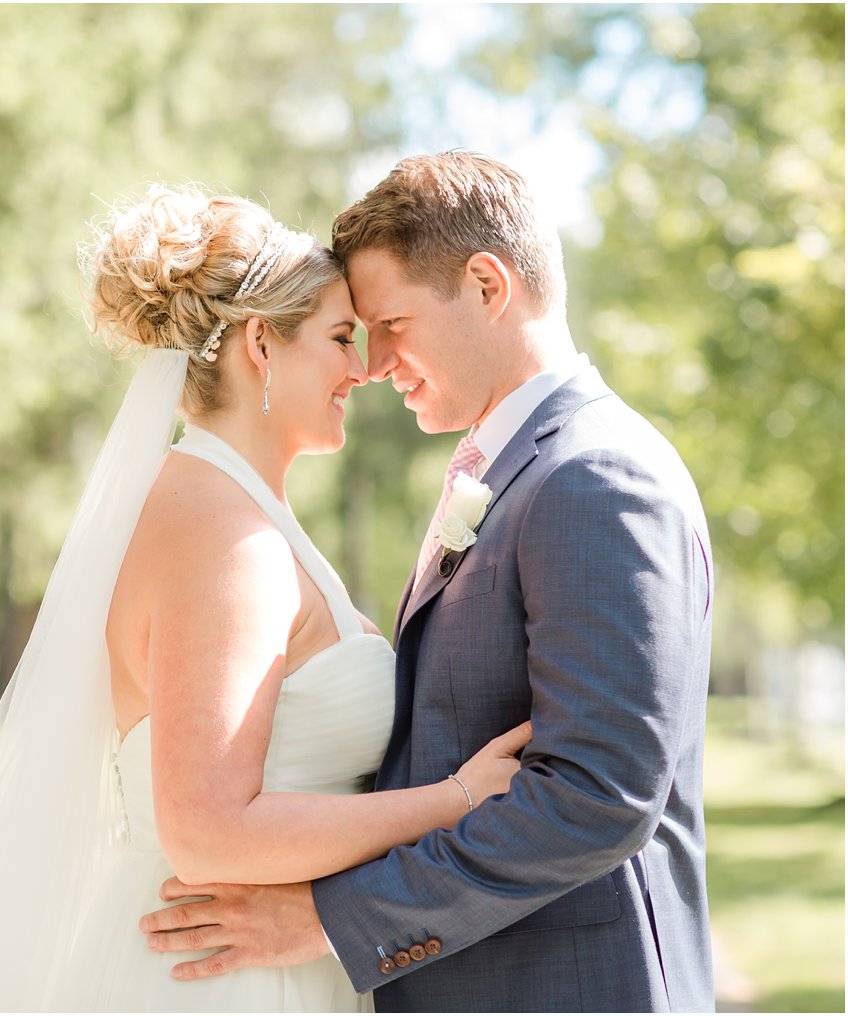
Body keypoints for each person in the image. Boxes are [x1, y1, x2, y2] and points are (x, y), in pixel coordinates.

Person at [0, 184, 530, 1012]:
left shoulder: (235, 509)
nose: (361, 371)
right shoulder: (224, 534)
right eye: (337, 338)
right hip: (228, 979)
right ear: (261, 344)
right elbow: (209, 830)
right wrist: (455, 801)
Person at [140, 152, 715, 1012]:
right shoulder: (510, 471)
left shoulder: (595, 477)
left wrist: (334, 922)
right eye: (356, 333)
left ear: (487, 285)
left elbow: (600, 795)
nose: (372, 365)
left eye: (392, 323)